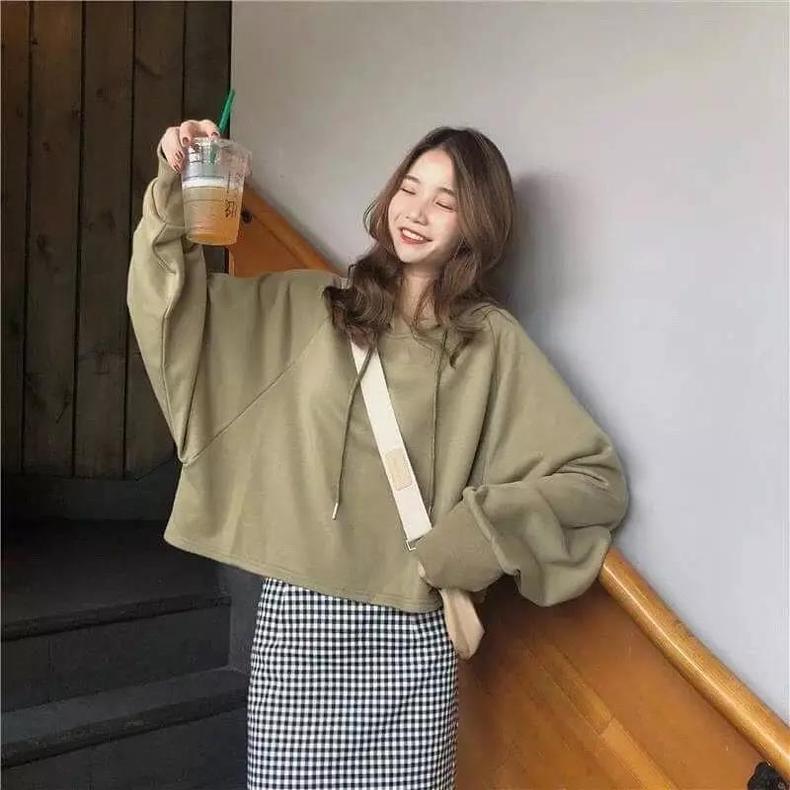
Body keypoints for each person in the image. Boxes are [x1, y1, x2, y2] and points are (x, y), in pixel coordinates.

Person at [129, 120, 630, 789]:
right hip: (299, 626)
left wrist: (474, 536)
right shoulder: (312, 306)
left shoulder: (489, 343)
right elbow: (173, 312)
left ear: (476, 224)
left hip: (409, 639)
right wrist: (175, 184)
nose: (416, 212)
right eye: (409, 188)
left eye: (445, 201)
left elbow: (593, 479)